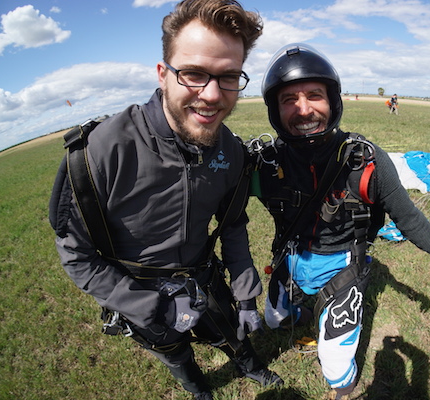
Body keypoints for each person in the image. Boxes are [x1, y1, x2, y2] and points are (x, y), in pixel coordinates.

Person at [49, 1, 282, 399]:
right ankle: (198, 389)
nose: (211, 95)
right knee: (173, 352)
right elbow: (76, 254)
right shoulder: (97, 153)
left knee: (229, 330)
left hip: (204, 278)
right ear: (163, 74)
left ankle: (248, 365)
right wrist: (142, 306)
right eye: (193, 74)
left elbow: (233, 224)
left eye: (228, 77)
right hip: (137, 292)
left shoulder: (230, 150)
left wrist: (244, 294)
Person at [251, 43, 430, 400]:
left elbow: (407, 216)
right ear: (275, 109)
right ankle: (309, 311)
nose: (303, 109)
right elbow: (216, 188)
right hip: (291, 259)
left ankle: (342, 381)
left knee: (335, 368)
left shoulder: (365, 161)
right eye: (289, 99)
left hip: (342, 267)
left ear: (333, 101)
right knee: (274, 321)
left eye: (314, 95)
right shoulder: (266, 163)